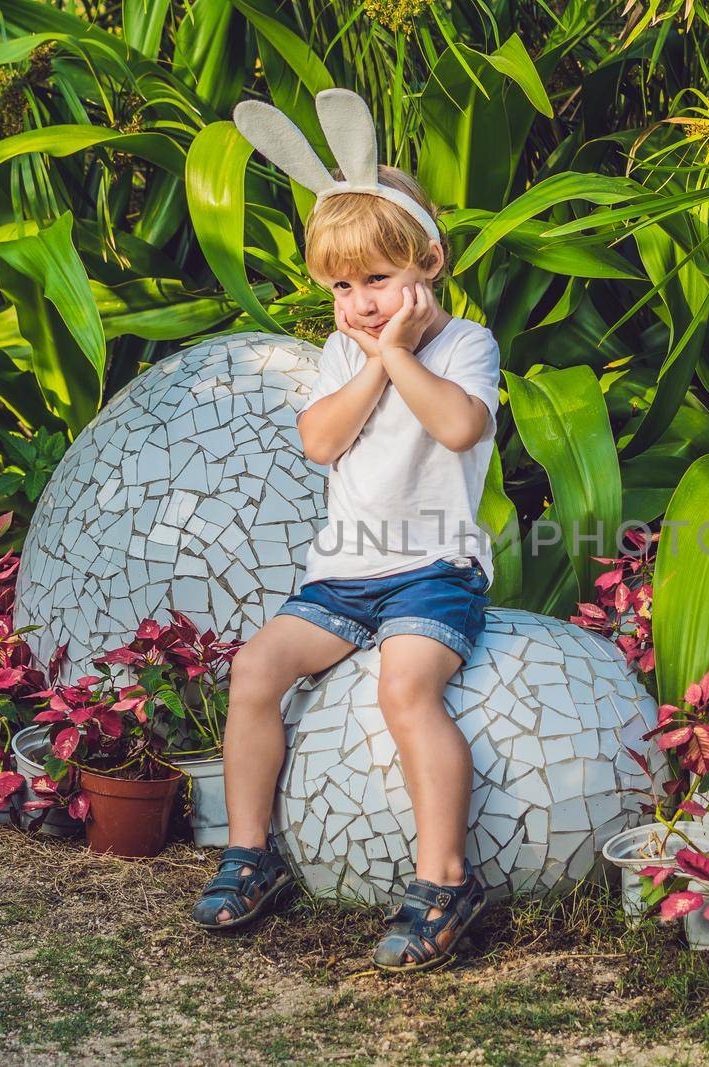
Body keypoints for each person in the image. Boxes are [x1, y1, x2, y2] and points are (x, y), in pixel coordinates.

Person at [190, 90, 500, 975]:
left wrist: (397, 352)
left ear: (428, 262)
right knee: (256, 668)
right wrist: (369, 361)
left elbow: (458, 428)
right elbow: (320, 439)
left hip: (434, 567)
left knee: (405, 688)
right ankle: (252, 853)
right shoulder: (343, 353)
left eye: (377, 280)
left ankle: (444, 880)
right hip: (345, 573)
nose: (361, 303)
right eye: (341, 286)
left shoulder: (464, 343)